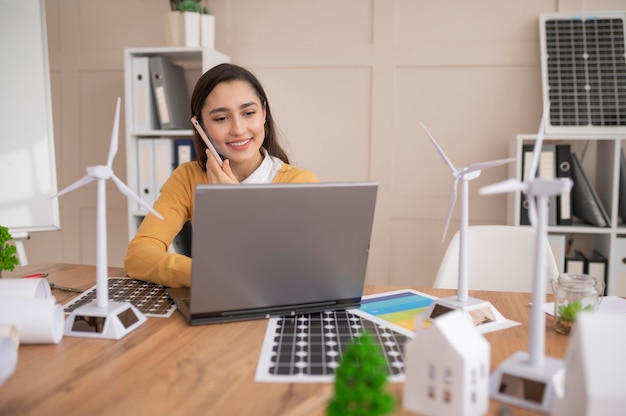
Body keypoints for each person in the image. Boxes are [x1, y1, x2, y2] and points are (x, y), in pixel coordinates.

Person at [124, 63, 318, 287]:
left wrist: (236, 204)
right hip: (215, 301)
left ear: (263, 113)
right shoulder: (188, 177)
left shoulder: (299, 183)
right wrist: (203, 275)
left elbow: (295, 270)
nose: (238, 129)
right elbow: (138, 256)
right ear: (201, 126)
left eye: (248, 113)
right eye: (220, 118)